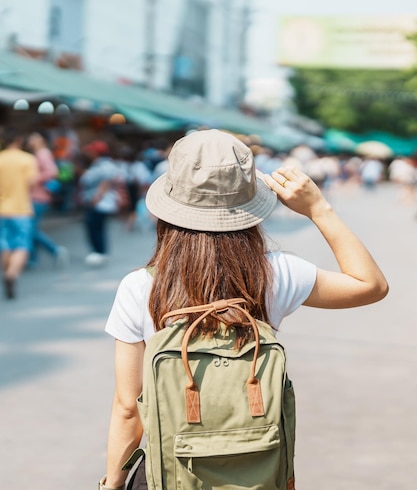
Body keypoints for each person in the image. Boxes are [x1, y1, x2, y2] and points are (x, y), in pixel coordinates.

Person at [100, 129, 389, 489]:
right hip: (257, 471)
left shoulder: (140, 287)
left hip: (173, 473)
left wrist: (112, 482)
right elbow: (371, 286)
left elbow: (128, 407)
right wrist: (319, 209)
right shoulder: (276, 273)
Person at [0, 129, 38, 299]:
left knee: (5, 245)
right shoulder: (27, 159)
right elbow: (32, 182)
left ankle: (7, 270)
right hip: (21, 208)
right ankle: (11, 275)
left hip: (2, 209)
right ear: (18, 140)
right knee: (22, 246)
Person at [27, 132, 69, 267]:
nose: (30, 139)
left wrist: (35, 178)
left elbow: (53, 172)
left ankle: (55, 250)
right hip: (37, 196)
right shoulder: (40, 153)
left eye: (33, 137)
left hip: (38, 197)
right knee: (32, 228)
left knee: (31, 229)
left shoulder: (42, 154)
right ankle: (32, 259)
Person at [78, 140, 121, 266]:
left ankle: (99, 252)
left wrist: (96, 198)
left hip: (99, 202)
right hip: (95, 201)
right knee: (95, 227)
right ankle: (98, 252)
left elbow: (106, 182)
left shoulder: (105, 165)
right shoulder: (96, 164)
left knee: (96, 227)